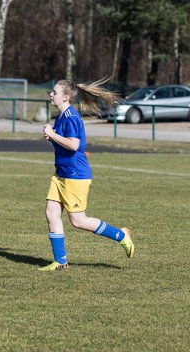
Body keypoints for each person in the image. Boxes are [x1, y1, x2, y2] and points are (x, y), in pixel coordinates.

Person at [39, 77, 134, 271]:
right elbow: (66, 142)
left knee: (78, 221)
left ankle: (121, 236)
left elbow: (74, 145)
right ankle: (60, 261)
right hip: (61, 174)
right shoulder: (62, 117)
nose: (51, 94)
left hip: (75, 175)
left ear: (65, 98)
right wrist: (52, 137)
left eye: (55, 92)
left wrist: (53, 134)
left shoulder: (72, 117)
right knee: (51, 212)